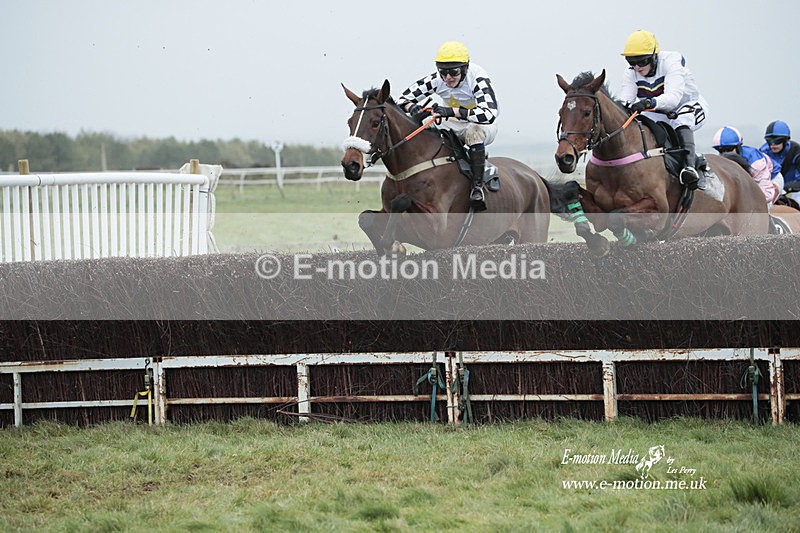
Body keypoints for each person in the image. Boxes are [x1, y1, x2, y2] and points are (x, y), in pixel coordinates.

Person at [397, 40, 499, 211]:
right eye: (443, 72)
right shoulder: (437, 80)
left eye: (453, 72)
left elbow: (488, 114)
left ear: (465, 68)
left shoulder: (478, 78)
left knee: (474, 132)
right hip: (454, 122)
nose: (448, 78)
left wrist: (452, 112)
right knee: (426, 125)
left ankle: (477, 187)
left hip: (481, 124)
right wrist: (415, 108)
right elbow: (402, 100)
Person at [619, 30, 711, 191]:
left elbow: (673, 99)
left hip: (688, 106)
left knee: (680, 120)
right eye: (631, 62)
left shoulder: (671, 61)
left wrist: (648, 102)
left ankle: (690, 167)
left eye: (641, 62)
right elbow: (625, 100)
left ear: (654, 56)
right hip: (657, 111)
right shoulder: (630, 73)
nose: (637, 68)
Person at [712, 126, 779, 209]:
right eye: (720, 150)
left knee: (762, 207)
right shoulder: (721, 161)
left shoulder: (755, 162)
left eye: (728, 149)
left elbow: (767, 194)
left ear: (738, 147)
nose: (725, 154)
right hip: (749, 180)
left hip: (772, 178)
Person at [759, 120, 800, 196]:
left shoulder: (796, 152)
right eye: (769, 141)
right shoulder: (763, 152)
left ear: (786, 140)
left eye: (777, 141)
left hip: (793, 191)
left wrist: (785, 188)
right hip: (771, 191)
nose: (773, 144)